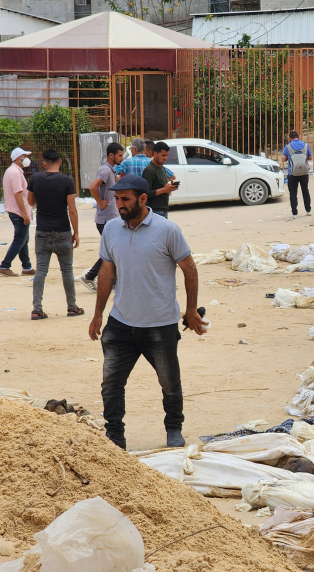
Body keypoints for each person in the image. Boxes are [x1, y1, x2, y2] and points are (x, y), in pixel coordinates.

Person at [88, 175, 206, 450]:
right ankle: (115, 435)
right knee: (111, 383)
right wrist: (98, 314)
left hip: (159, 323)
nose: (119, 205)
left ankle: (173, 427)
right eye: (117, 199)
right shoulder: (112, 230)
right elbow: (107, 271)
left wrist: (190, 310)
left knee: (169, 382)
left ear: (143, 199)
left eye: (125, 199)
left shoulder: (167, 230)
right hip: (120, 322)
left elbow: (189, 268)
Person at [27, 149, 83, 320]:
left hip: (42, 231)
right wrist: (76, 232)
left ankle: (37, 308)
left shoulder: (35, 179)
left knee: (41, 271)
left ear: (44, 163)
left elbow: (30, 202)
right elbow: (72, 209)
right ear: (60, 162)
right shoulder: (67, 181)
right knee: (67, 270)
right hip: (62, 230)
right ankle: (72, 307)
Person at [79, 142, 124, 292]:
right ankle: (90, 276)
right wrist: (100, 202)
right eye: (120, 155)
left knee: (113, 250)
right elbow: (93, 187)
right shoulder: (105, 170)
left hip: (109, 217)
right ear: (111, 155)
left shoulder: (109, 170)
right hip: (106, 218)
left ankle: (112, 281)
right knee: (111, 251)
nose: (122, 158)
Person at [0, 147, 35, 277]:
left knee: (23, 239)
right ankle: (5, 265)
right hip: (18, 212)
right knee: (20, 239)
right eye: (25, 156)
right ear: (19, 158)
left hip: (16, 211)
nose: (27, 158)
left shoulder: (13, 171)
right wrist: (25, 213)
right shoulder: (15, 173)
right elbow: (18, 194)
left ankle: (27, 266)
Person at [281, 131, 312, 219]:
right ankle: (308, 210)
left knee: (293, 193)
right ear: (298, 137)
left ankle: (294, 212)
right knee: (305, 190)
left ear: (290, 138)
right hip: (304, 172)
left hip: (292, 173)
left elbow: (283, 159)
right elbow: (310, 157)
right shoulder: (305, 145)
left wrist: (288, 157)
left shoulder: (288, 146)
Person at [142, 141, 178, 219]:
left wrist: (169, 189)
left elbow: (161, 188)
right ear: (155, 153)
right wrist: (164, 190)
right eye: (163, 155)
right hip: (155, 211)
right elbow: (145, 194)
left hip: (163, 209)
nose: (165, 158)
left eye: (166, 155)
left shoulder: (162, 168)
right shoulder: (149, 170)